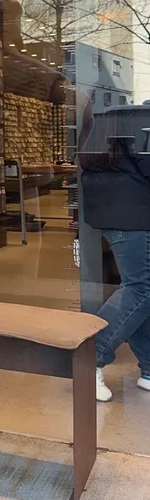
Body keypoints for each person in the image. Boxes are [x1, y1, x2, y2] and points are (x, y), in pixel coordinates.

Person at [79, 103, 150, 402]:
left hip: (113, 215)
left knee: (140, 290)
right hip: (135, 217)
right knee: (140, 288)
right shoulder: (139, 122)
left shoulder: (99, 120)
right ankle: (89, 358)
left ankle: (149, 368)